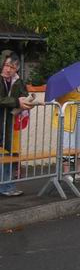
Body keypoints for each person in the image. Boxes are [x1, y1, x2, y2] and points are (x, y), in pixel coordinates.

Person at [0, 51, 34, 196]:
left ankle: (7, 186)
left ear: (17, 69)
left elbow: (23, 95)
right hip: (3, 120)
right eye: (7, 65)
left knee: (7, 154)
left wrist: (28, 100)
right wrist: (16, 102)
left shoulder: (17, 81)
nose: (8, 69)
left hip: (8, 123)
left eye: (12, 67)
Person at [56, 86, 80, 183]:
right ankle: (66, 173)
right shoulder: (65, 86)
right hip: (68, 119)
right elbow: (63, 98)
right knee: (68, 145)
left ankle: (79, 172)